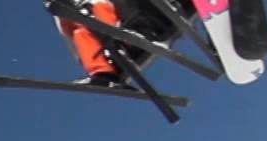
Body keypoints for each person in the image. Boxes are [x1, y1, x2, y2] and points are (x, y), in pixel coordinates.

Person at [56, 0, 198, 89]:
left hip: (154, 16)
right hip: (127, 28)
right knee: (77, 27)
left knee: (99, 7)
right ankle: (104, 72)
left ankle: (124, 41)